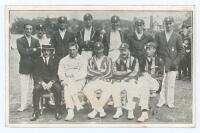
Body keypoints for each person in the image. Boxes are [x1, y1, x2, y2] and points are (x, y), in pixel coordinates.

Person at [130, 42, 164, 122]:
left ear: (154, 50)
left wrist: (147, 75)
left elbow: (160, 76)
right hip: (145, 83)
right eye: (146, 49)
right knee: (144, 84)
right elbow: (139, 73)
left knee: (144, 78)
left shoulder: (159, 60)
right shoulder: (143, 59)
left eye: (149, 49)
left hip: (156, 83)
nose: (147, 51)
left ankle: (133, 101)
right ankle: (144, 113)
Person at [155, 16, 184, 108]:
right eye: (166, 23)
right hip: (162, 62)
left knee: (171, 83)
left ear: (173, 24)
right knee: (162, 82)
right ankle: (161, 100)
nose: (168, 25)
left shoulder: (177, 36)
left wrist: (176, 61)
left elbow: (181, 51)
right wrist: (158, 59)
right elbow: (156, 48)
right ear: (164, 24)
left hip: (172, 63)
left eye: (170, 23)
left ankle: (170, 101)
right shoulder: (159, 35)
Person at [31, 44, 62, 121]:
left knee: (58, 88)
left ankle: (58, 110)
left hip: (51, 82)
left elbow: (56, 74)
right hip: (42, 83)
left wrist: (51, 82)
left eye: (48, 51)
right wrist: (42, 83)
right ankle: (36, 112)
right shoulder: (37, 60)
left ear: (51, 52)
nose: (46, 52)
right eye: (44, 51)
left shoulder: (54, 60)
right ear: (42, 51)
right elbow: (35, 74)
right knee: (36, 89)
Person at [58, 42, 87, 121]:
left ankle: (71, 110)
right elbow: (60, 72)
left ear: (77, 50)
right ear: (68, 50)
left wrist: (73, 76)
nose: (72, 52)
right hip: (67, 80)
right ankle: (71, 110)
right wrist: (63, 80)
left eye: (74, 50)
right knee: (67, 87)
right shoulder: (63, 60)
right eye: (70, 50)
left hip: (79, 81)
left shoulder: (82, 59)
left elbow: (83, 73)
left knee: (69, 87)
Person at [83, 42, 112, 119]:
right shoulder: (91, 59)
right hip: (94, 80)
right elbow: (89, 71)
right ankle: (100, 110)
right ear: (94, 50)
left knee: (108, 89)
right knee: (86, 89)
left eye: (100, 49)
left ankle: (95, 110)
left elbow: (109, 72)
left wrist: (97, 74)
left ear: (103, 49)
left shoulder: (108, 59)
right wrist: (101, 72)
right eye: (96, 49)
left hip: (104, 80)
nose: (98, 51)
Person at [111, 43, 139, 119]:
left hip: (130, 80)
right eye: (121, 50)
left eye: (125, 50)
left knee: (131, 86)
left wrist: (123, 75)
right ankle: (118, 109)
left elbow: (135, 72)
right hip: (120, 80)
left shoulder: (134, 59)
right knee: (114, 86)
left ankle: (130, 110)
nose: (123, 52)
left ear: (128, 50)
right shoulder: (117, 60)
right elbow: (114, 73)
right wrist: (126, 72)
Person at [16, 24, 41, 112]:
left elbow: (38, 52)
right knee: (24, 87)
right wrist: (33, 50)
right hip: (24, 66)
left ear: (32, 30)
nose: (28, 31)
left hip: (34, 67)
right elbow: (22, 52)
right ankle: (23, 105)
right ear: (24, 30)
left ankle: (35, 103)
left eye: (30, 29)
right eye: (27, 29)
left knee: (35, 86)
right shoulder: (19, 40)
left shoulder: (36, 40)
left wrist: (29, 50)